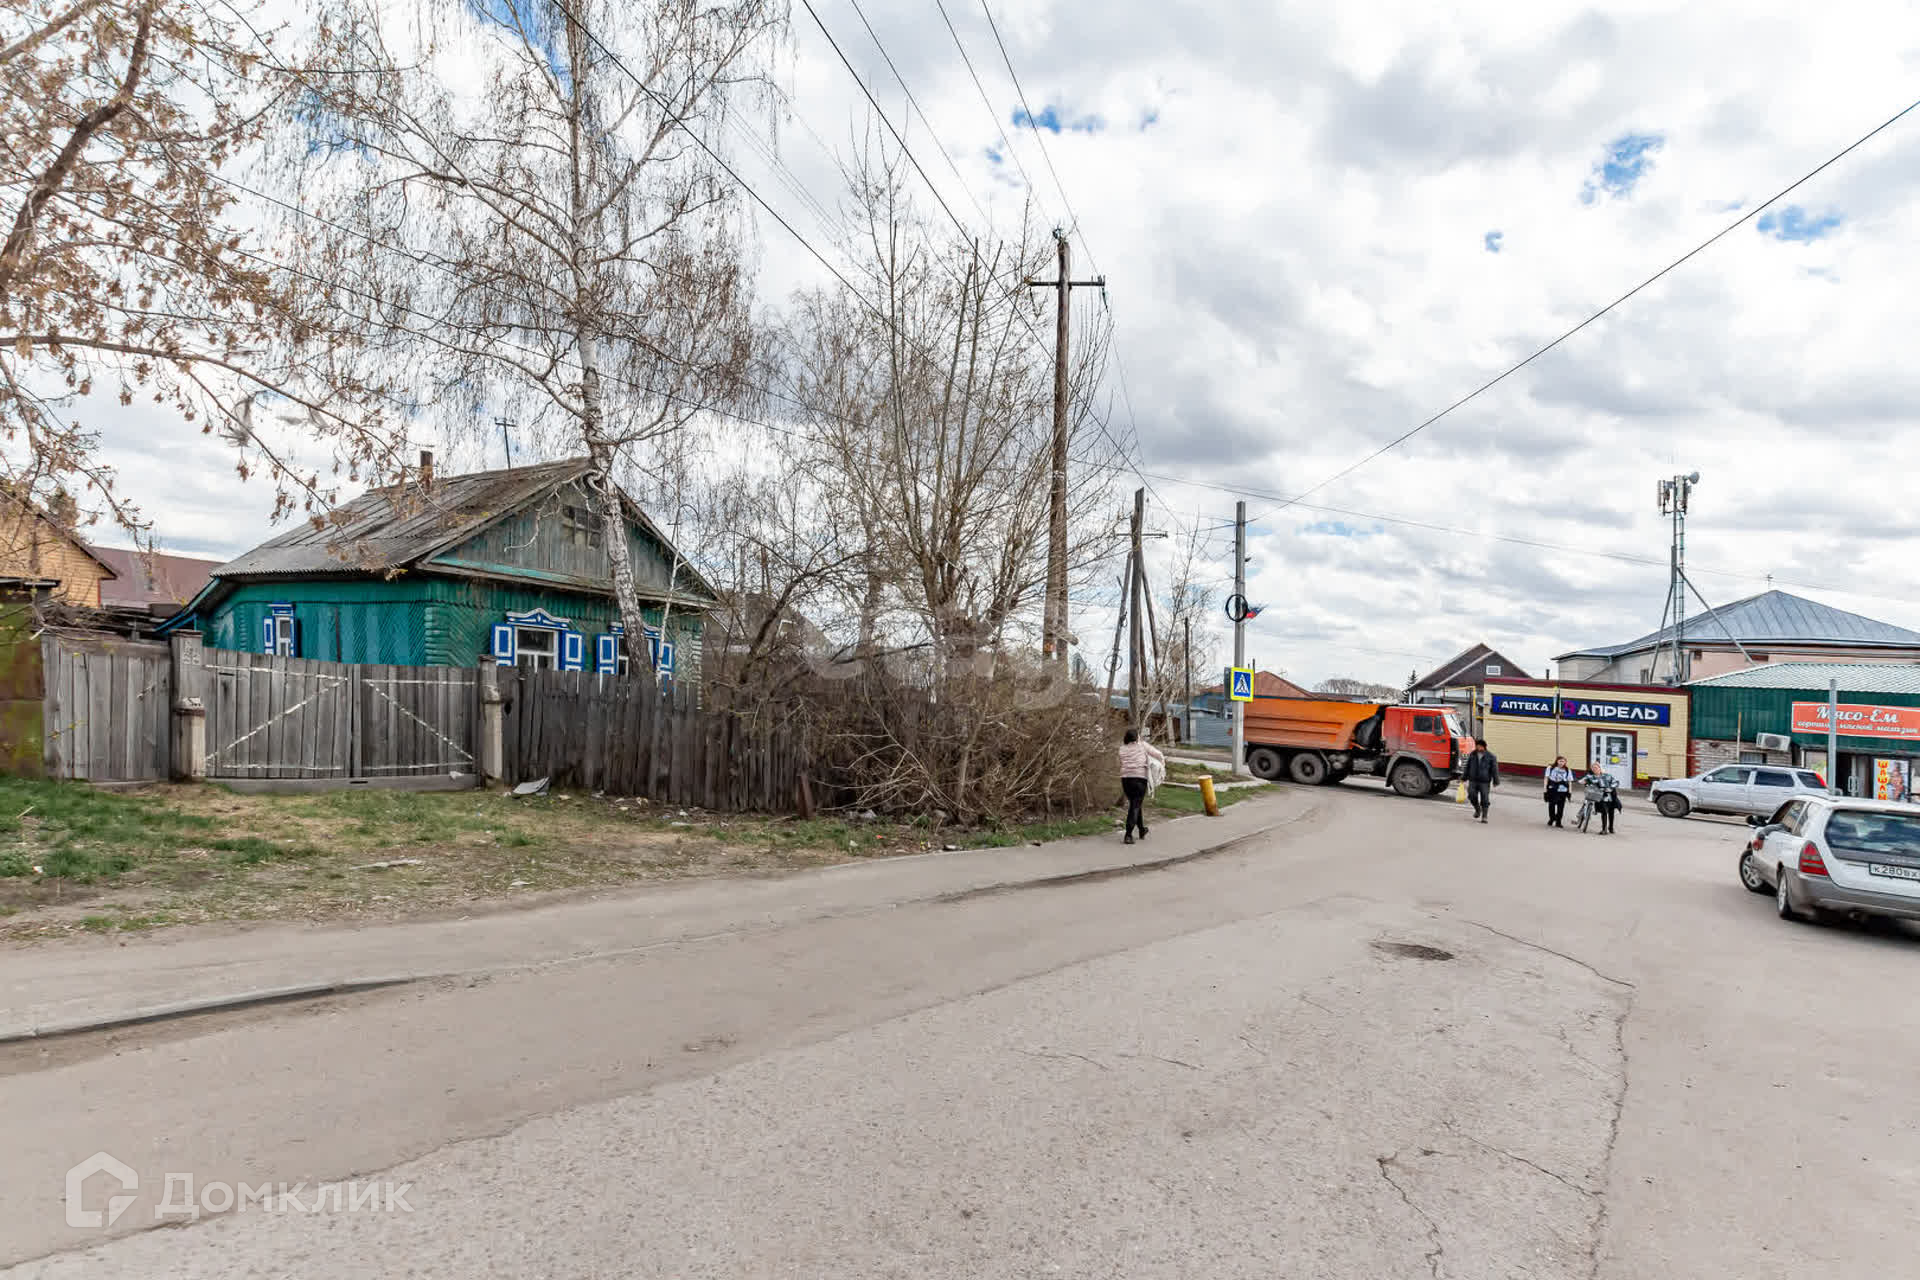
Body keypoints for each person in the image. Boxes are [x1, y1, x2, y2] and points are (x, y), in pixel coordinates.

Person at [1118, 728, 1165, 845]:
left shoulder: (1122, 748)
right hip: (1139, 779)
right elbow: (1158, 754)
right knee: (1135, 805)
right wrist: (1162, 764)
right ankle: (1128, 835)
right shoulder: (1142, 745)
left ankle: (1141, 830)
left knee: (1135, 804)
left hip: (1125, 779)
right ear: (1136, 737)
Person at [1463, 739, 1500, 822]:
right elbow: (1467, 767)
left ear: (1484, 747)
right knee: (1471, 795)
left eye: (1479, 746)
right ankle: (1477, 809)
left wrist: (1496, 781)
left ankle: (1484, 816)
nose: (1478, 748)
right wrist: (1463, 778)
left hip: (1484, 781)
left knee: (1485, 799)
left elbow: (1494, 770)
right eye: (1477, 746)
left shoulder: (1491, 757)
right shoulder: (1472, 755)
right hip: (1473, 780)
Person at [1579, 761, 1620, 834]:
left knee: (1611, 812)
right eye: (1593, 768)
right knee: (1604, 811)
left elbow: (1615, 782)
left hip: (1610, 796)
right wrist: (1584, 782)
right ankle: (1604, 829)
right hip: (1599, 796)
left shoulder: (1607, 776)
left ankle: (1611, 828)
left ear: (1600, 768)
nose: (1595, 769)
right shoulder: (1590, 776)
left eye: (1596, 768)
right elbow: (1581, 781)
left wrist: (1610, 788)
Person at [1544, 756, 1574, 828]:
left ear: (1565, 762)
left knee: (1561, 807)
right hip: (1552, 788)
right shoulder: (1550, 768)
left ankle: (1558, 821)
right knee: (1551, 805)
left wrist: (1570, 792)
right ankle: (1552, 818)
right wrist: (1545, 790)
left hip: (1563, 790)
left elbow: (1569, 781)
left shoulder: (1567, 770)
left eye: (1563, 761)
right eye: (1560, 761)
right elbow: (1546, 778)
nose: (1561, 763)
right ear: (1557, 761)